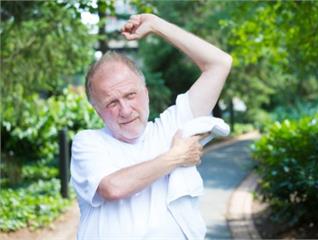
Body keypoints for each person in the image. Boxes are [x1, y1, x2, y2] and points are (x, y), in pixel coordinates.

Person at [70, 13, 232, 239]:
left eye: (130, 95)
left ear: (146, 94)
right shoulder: (88, 142)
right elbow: (113, 188)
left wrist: (157, 25)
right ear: (98, 110)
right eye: (112, 103)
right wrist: (176, 156)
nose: (125, 110)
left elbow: (219, 64)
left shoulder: (171, 125)